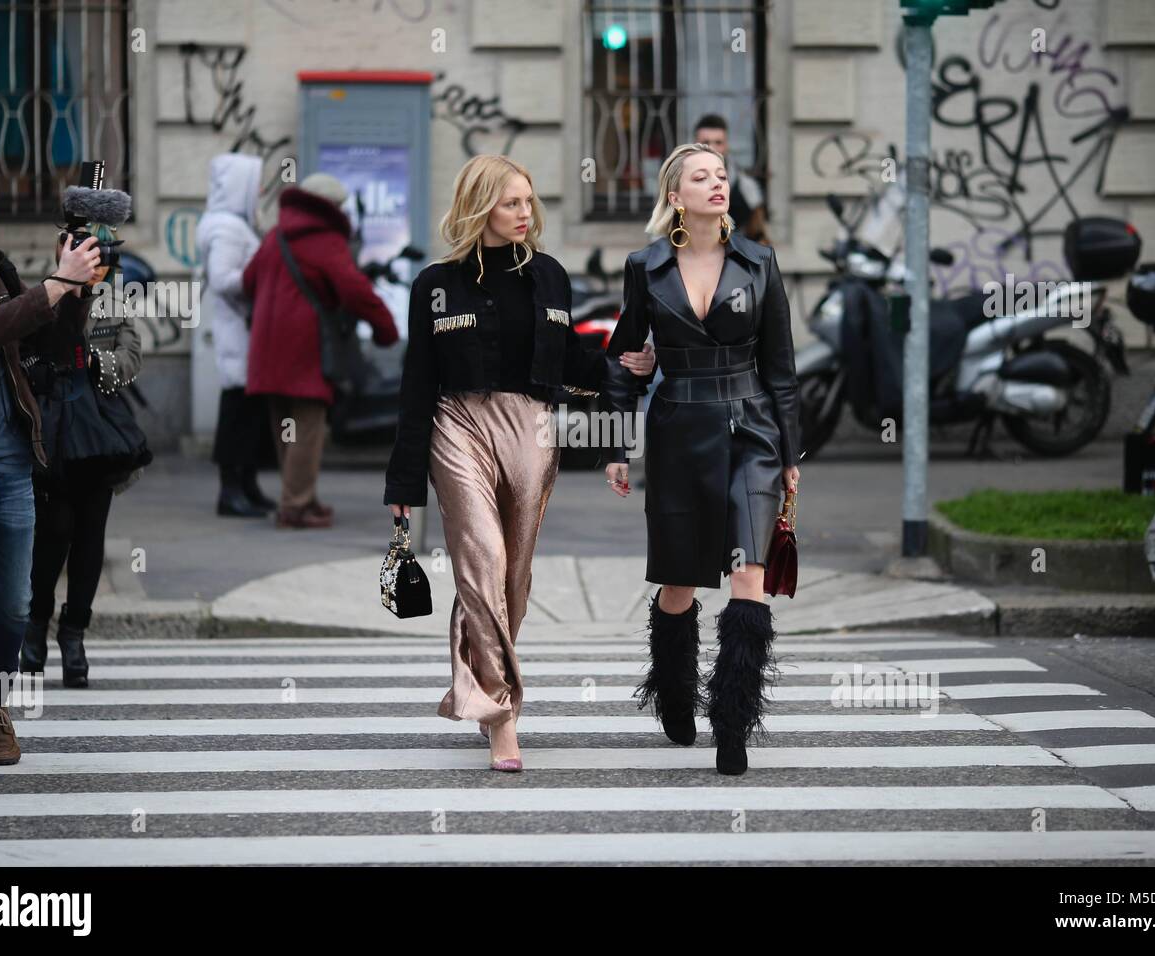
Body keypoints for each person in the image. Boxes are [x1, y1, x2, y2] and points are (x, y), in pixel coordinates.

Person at [383, 154, 657, 772]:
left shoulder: (550, 277)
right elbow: (417, 382)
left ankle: (479, 687)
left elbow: (572, 361)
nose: (524, 214)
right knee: (482, 557)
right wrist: (403, 479)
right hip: (457, 425)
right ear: (480, 205)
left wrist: (623, 366)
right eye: (511, 203)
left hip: (532, 428)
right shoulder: (435, 284)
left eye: (529, 202)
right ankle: (503, 715)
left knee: (513, 579)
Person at [599, 143, 800, 775]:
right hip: (680, 427)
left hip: (752, 431)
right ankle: (674, 691)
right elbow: (623, 354)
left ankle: (733, 721)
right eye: (701, 177)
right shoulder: (646, 266)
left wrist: (792, 453)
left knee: (749, 576)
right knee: (681, 581)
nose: (717, 184)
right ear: (674, 195)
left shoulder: (760, 262)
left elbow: (782, 369)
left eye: (722, 175)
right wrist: (614, 442)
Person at [0, 155, 101, 789]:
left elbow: (47, 346)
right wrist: (54, 285)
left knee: (13, 606)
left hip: (9, 464)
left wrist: (77, 293)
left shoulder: (0, 270)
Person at [19, 221, 148, 689]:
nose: (97, 262)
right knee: (54, 529)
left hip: (98, 432)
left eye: (103, 254)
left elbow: (131, 358)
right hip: (50, 432)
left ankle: (74, 636)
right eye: (86, 250)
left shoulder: (113, 301)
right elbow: (18, 353)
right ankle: (36, 626)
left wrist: (95, 364)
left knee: (91, 532)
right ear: (63, 248)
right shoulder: (43, 294)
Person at [243, 173, 398, 528]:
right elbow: (354, 289)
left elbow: (248, 281)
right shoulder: (325, 240)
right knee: (308, 427)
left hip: (267, 348)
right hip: (305, 347)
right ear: (333, 207)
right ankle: (295, 505)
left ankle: (299, 497)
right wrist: (385, 329)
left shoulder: (275, 237)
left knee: (286, 427)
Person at [197, 153, 276, 518]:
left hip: (244, 330)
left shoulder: (228, 223)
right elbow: (223, 277)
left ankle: (246, 485)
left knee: (248, 412)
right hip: (240, 330)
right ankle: (231, 491)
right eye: (255, 181)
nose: (259, 190)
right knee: (238, 413)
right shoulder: (227, 227)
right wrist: (258, 282)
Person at [694, 114, 770, 244]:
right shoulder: (678, 185)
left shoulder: (746, 187)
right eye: (705, 142)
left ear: (726, 145)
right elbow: (662, 231)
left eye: (718, 142)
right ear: (695, 144)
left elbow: (759, 235)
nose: (712, 148)